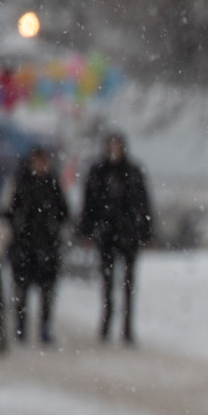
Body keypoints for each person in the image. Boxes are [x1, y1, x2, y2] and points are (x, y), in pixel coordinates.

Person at [79, 133, 152, 344]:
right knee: (107, 282)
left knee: (128, 283)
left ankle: (127, 327)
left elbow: (143, 202)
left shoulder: (133, 172)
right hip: (107, 235)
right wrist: (87, 230)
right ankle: (106, 323)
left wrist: (145, 231)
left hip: (128, 234)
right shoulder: (98, 172)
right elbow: (89, 203)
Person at [5, 146, 70, 344]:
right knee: (21, 291)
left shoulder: (53, 185)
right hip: (25, 247)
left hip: (47, 247)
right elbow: (9, 211)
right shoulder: (21, 184)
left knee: (47, 293)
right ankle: (21, 328)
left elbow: (64, 212)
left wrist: (54, 228)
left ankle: (44, 329)